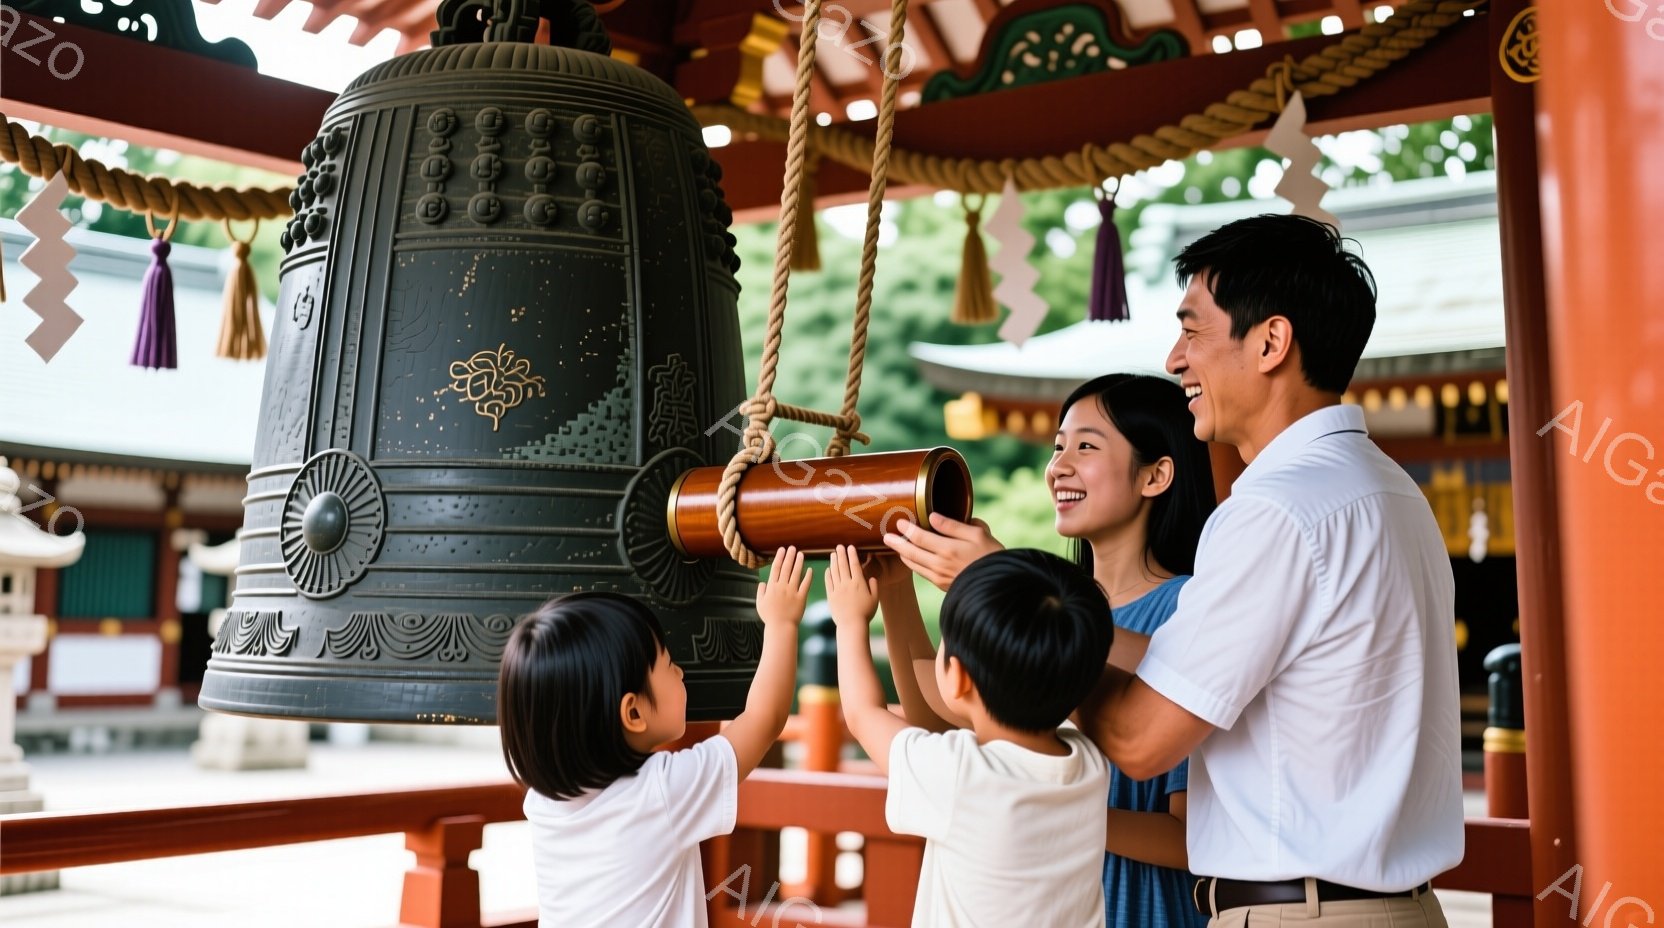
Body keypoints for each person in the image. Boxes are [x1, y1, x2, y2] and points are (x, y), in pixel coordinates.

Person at [1075, 215, 1463, 926]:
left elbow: (1139, 741)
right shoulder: (1384, 488)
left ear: (1271, 342)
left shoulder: (1274, 511)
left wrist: (1020, 632)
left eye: (1192, 331)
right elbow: (1217, 668)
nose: (1174, 358)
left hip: (1304, 913)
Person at [879, 373, 1217, 928]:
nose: (1058, 466)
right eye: (1058, 446)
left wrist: (1045, 810)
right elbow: (938, 727)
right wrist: (895, 589)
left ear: (1156, 475)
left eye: (1085, 446)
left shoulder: (1188, 610)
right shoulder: (1046, 604)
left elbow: (1191, 837)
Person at [498, 547, 811, 928]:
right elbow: (765, 720)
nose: (680, 672)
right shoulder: (663, 792)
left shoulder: (544, 802)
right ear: (633, 713)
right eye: (668, 664)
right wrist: (782, 624)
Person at [826, 544, 1113, 928]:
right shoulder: (1088, 763)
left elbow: (863, 716)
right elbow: (914, 719)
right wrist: (897, 588)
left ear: (958, 677)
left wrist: (849, 622)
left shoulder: (961, 774)